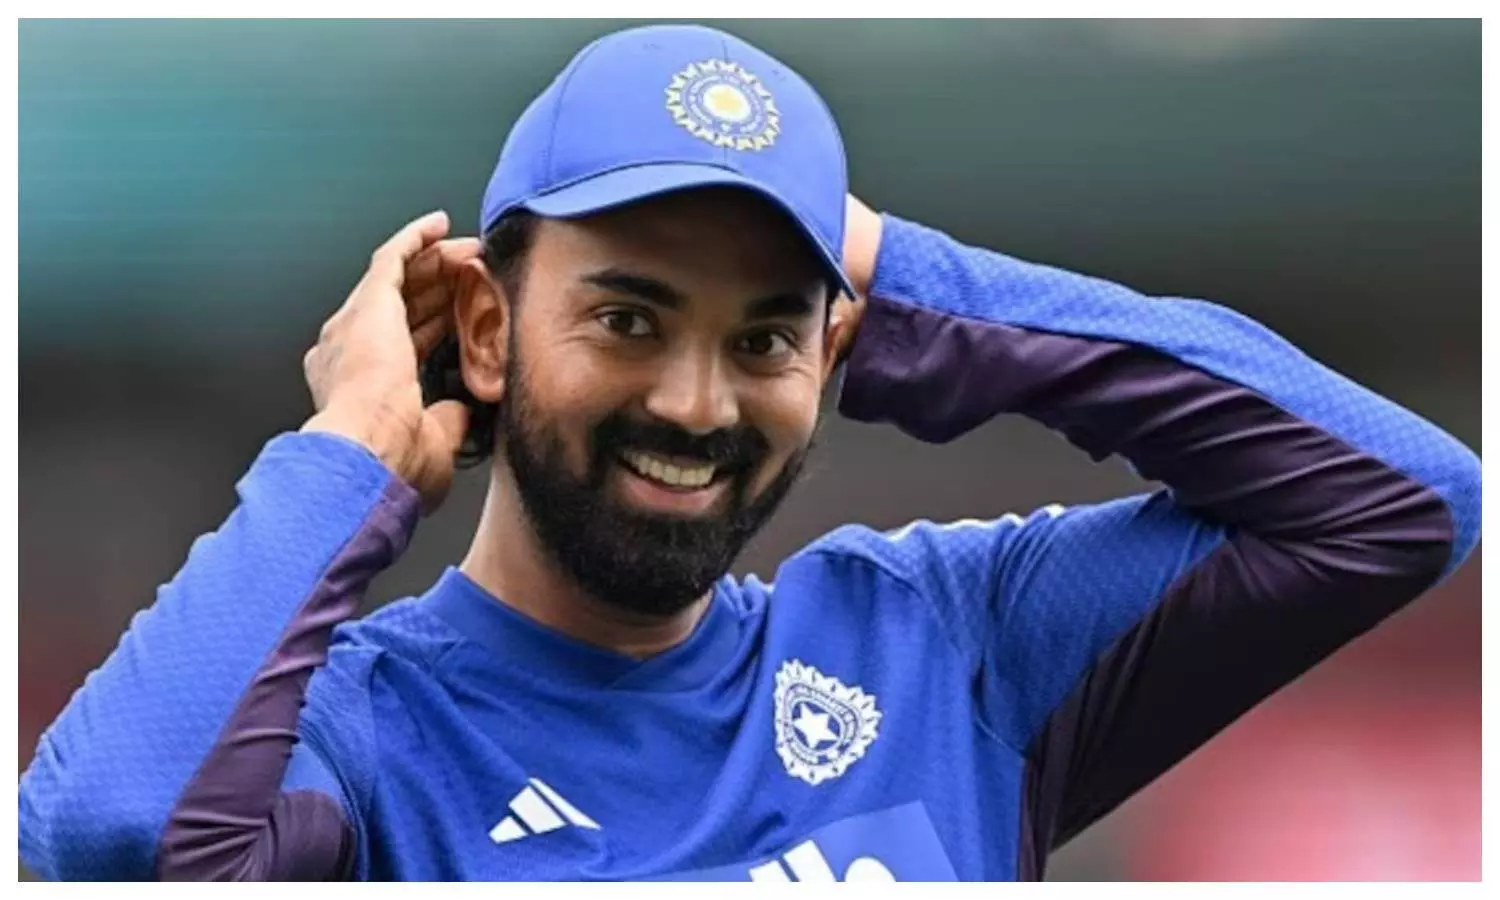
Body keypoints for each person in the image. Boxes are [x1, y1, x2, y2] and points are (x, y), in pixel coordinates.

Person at [18, 23, 1481, 882]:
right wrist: (350, 448)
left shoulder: (949, 651)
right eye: (629, 318)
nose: (698, 403)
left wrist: (910, 287)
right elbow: (109, 838)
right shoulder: (365, 739)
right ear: (487, 326)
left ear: (834, 353)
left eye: (767, 336)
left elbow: (1402, 501)